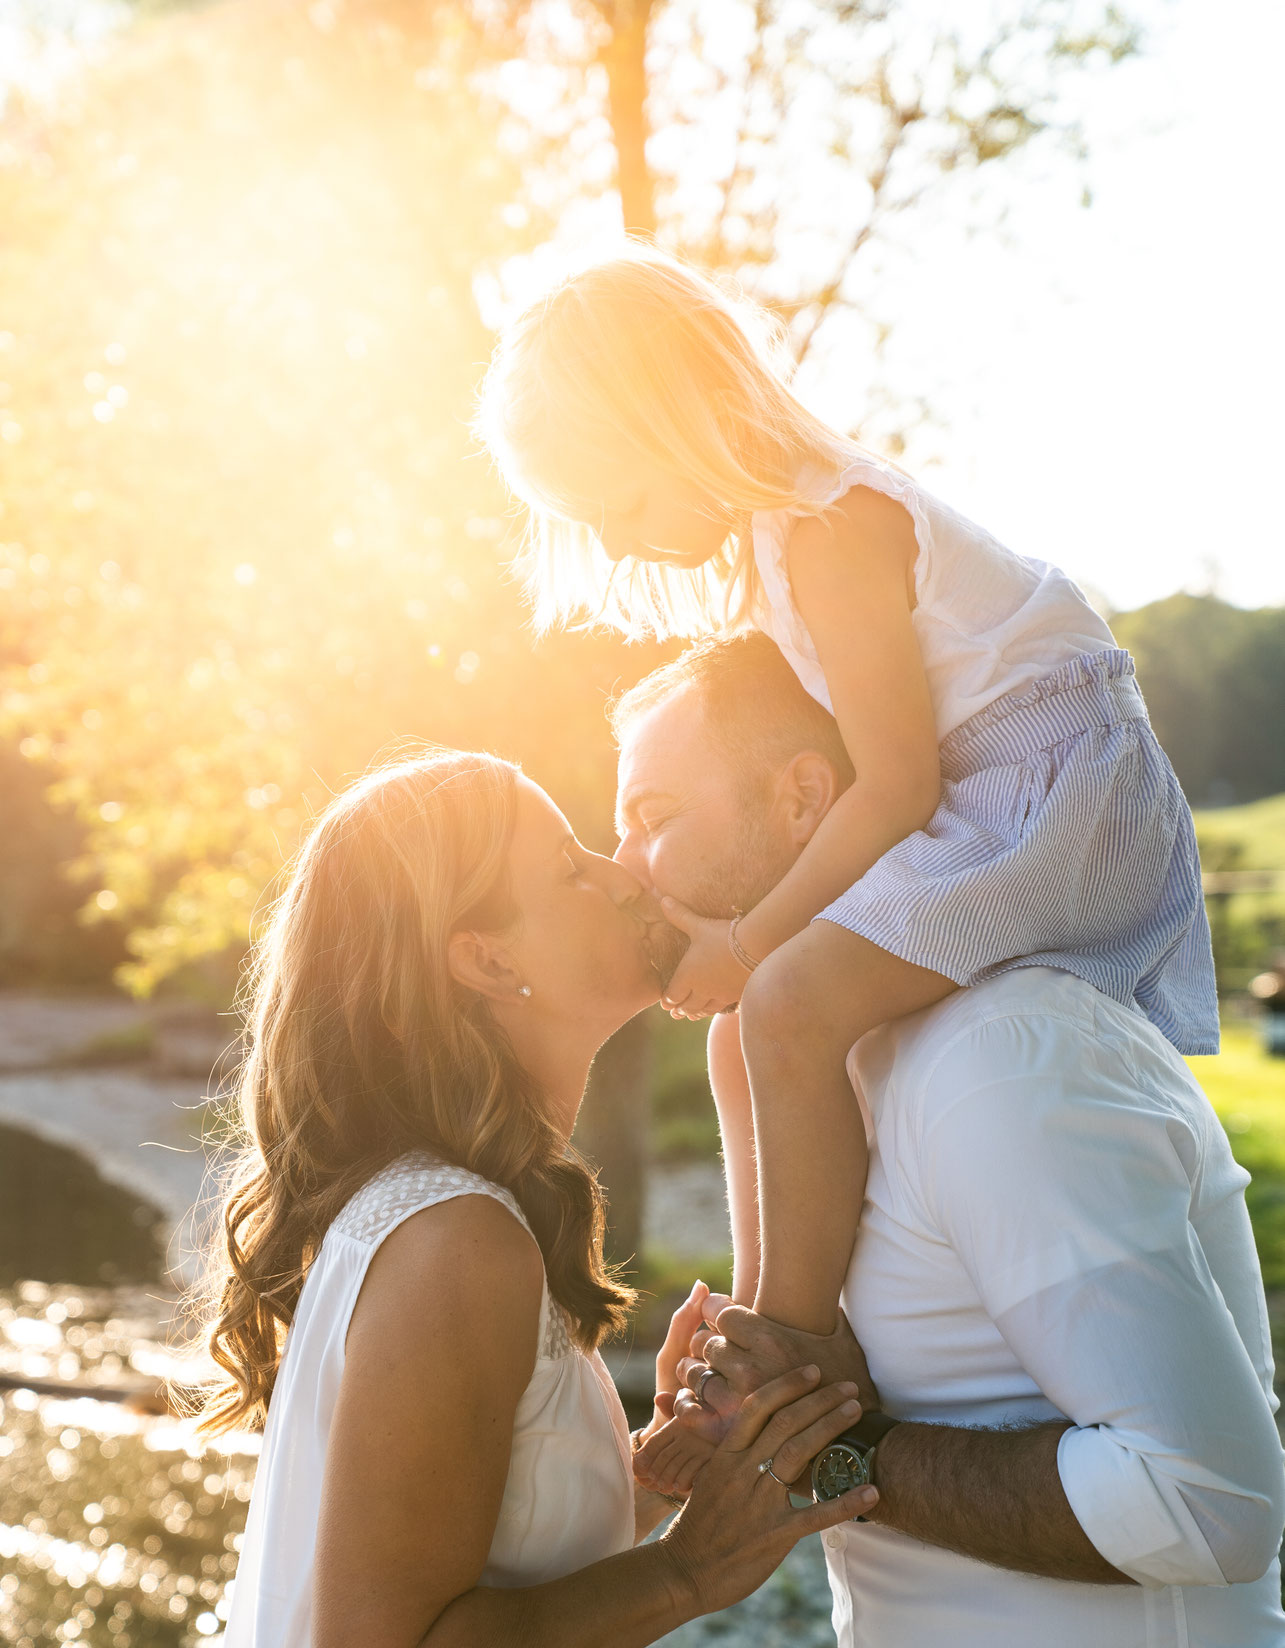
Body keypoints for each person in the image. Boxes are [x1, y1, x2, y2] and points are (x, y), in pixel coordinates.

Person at [613, 637, 1285, 1648]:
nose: (629, 866)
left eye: (657, 816)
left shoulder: (998, 1056)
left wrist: (836, 1439)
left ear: (806, 796)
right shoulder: (837, 1069)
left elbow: (1210, 1500)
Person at [148, 744, 874, 1648]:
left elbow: (456, 1576)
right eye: (568, 865)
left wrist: (650, 1478)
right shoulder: (454, 1240)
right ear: (485, 958)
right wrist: (691, 1577)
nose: (621, 868)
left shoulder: (451, 1222)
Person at [477, 240, 1218, 1345]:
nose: (620, 539)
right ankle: (762, 1288)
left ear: (679, 418)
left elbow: (898, 783)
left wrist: (753, 936)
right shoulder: (779, 546)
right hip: (987, 794)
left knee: (780, 998)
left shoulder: (832, 530)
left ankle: (799, 1334)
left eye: (620, 500)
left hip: (1054, 790)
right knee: (743, 1034)